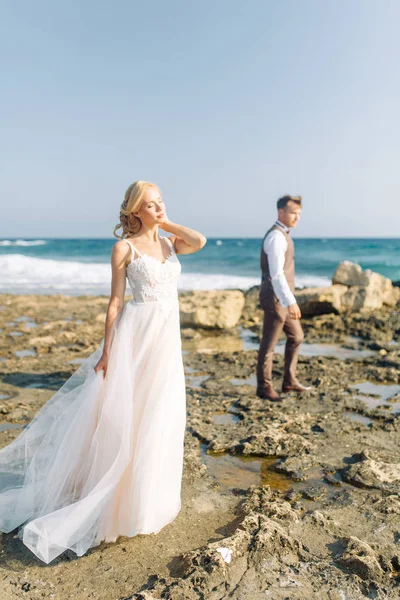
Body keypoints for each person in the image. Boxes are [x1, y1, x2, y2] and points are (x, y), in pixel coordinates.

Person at [0, 180, 206, 564]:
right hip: (136, 338)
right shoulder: (123, 248)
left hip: (166, 343)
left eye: (161, 202)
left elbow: (200, 240)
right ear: (133, 211)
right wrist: (108, 352)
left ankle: (148, 502)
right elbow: (115, 304)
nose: (158, 207)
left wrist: (168, 221)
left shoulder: (168, 243)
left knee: (160, 414)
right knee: (128, 416)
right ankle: (113, 501)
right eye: (151, 204)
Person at [256, 194, 311, 402]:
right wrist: (291, 302)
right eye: (293, 213)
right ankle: (264, 387)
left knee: (297, 336)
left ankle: (289, 381)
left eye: (299, 214)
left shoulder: (284, 235)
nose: (297, 217)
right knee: (269, 344)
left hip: (283, 298)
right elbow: (277, 274)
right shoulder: (276, 237)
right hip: (275, 299)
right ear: (281, 212)